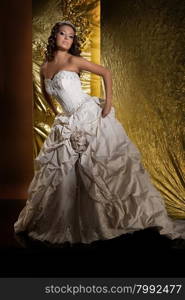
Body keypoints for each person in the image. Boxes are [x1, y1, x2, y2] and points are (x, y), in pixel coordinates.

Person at [14, 20, 185, 248]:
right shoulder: (45, 67)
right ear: (54, 36)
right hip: (68, 121)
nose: (66, 38)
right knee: (67, 175)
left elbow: (105, 72)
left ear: (73, 41)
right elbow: (48, 90)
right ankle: (76, 222)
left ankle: (111, 219)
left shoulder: (73, 60)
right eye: (63, 34)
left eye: (71, 36)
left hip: (88, 115)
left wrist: (108, 104)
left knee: (97, 167)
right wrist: (54, 110)